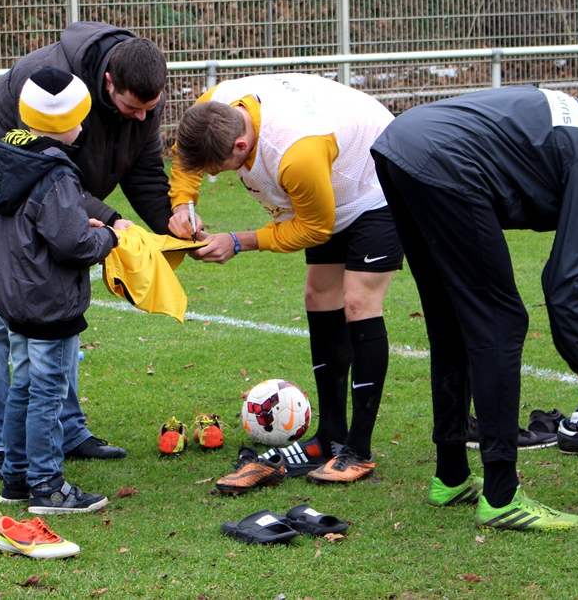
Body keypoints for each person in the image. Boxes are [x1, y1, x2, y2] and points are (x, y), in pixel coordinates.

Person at [370, 85, 578, 530]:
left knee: (453, 320)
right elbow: (565, 280)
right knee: (501, 322)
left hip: (402, 145)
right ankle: (502, 496)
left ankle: (451, 476)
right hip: (444, 161)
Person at [0, 21, 170, 479]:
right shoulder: (46, 86)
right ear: (108, 83)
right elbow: (38, 174)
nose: (141, 117)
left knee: (54, 311)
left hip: (58, 200)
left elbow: (143, 168)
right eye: (132, 107)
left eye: (150, 108)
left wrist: (172, 223)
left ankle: (66, 431)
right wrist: (110, 224)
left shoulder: (144, 97)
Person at [169, 73, 403, 487]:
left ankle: (359, 451)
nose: (213, 175)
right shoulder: (213, 105)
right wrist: (183, 205)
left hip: (376, 182)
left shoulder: (296, 154)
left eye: (216, 170)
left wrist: (239, 241)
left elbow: (315, 228)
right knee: (319, 295)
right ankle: (330, 436)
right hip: (329, 178)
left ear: (240, 146)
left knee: (358, 302)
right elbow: (184, 161)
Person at [0, 67, 115, 513]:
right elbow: (73, 244)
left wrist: (79, 223)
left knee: (23, 385)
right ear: (69, 121)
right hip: (49, 301)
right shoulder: (56, 172)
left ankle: (16, 477)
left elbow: (38, 225)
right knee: (48, 391)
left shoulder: (10, 156)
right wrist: (107, 237)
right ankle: (47, 484)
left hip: (18, 297)